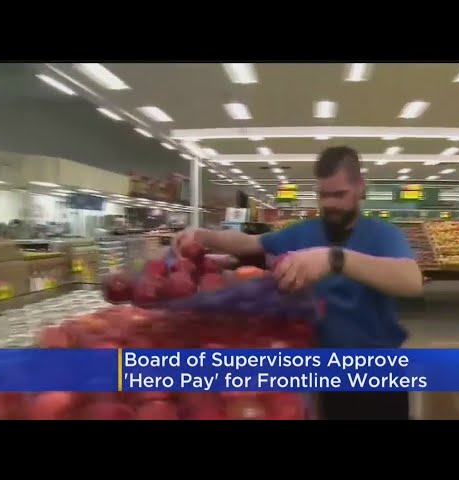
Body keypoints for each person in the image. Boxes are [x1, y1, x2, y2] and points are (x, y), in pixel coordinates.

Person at [174, 146, 423, 420]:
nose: (330, 204)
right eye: (323, 195)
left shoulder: (384, 235)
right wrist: (202, 236)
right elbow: (249, 243)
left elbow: (411, 281)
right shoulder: (304, 232)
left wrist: (335, 259)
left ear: (360, 187)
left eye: (339, 194)